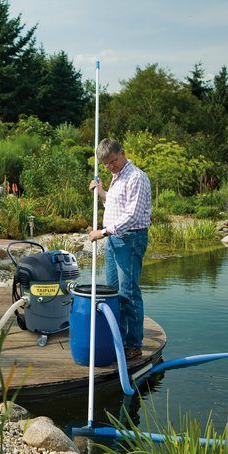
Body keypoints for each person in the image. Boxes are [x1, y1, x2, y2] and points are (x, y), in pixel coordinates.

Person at [88, 138, 152, 360]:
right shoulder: (117, 178)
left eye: (113, 162)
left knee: (129, 293)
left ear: (122, 153)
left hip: (130, 240)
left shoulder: (136, 177)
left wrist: (102, 233)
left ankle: (133, 344)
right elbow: (115, 207)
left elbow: (132, 215)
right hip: (114, 240)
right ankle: (120, 339)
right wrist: (101, 192)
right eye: (106, 165)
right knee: (113, 292)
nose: (110, 167)